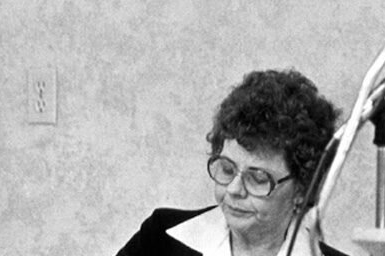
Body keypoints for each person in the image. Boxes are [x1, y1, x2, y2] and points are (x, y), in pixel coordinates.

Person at [118, 69, 346, 256]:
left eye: (257, 178)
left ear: (302, 189)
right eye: (227, 169)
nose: (234, 189)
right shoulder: (158, 239)